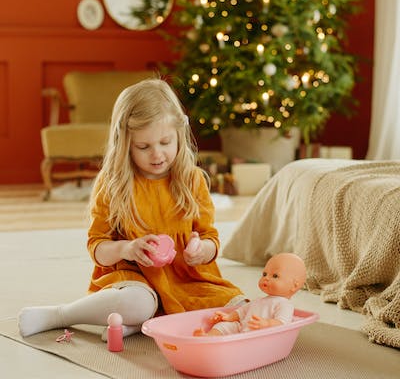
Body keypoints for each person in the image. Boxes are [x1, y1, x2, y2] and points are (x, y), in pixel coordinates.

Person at [18, 77, 245, 340]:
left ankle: (140, 324)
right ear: (125, 144)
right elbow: (98, 248)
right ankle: (61, 314)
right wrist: (128, 249)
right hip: (134, 280)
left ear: (179, 135)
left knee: (239, 307)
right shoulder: (113, 183)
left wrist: (201, 250)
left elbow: (211, 240)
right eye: (143, 147)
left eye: (165, 142)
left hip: (187, 280)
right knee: (137, 304)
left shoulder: (192, 179)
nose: (157, 155)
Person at [193, 252, 306, 336]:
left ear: (294, 285)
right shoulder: (259, 301)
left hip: (260, 334)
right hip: (242, 327)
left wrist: (266, 324)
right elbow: (241, 312)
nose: (266, 278)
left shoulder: (284, 304)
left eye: (275, 276)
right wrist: (228, 317)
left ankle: (220, 344)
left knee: (244, 334)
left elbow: (282, 323)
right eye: (264, 274)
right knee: (223, 326)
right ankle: (208, 337)